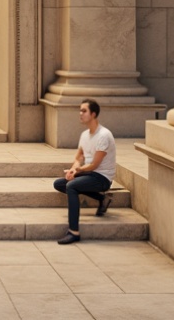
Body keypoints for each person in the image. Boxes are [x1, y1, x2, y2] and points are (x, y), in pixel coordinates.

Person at [52, 98, 116, 244]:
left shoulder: (104, 135)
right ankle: (102, 199)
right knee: (59, 184)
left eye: (84, 111)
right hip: (89, 174)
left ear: (93, 114)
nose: (80, 113)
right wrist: (73, 170)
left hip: (102, 178)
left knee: (71, 186)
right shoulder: (85, 135)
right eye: (80, 110)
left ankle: (74, 231)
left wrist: (78, 171)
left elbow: (94, 164)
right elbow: (78, 158)